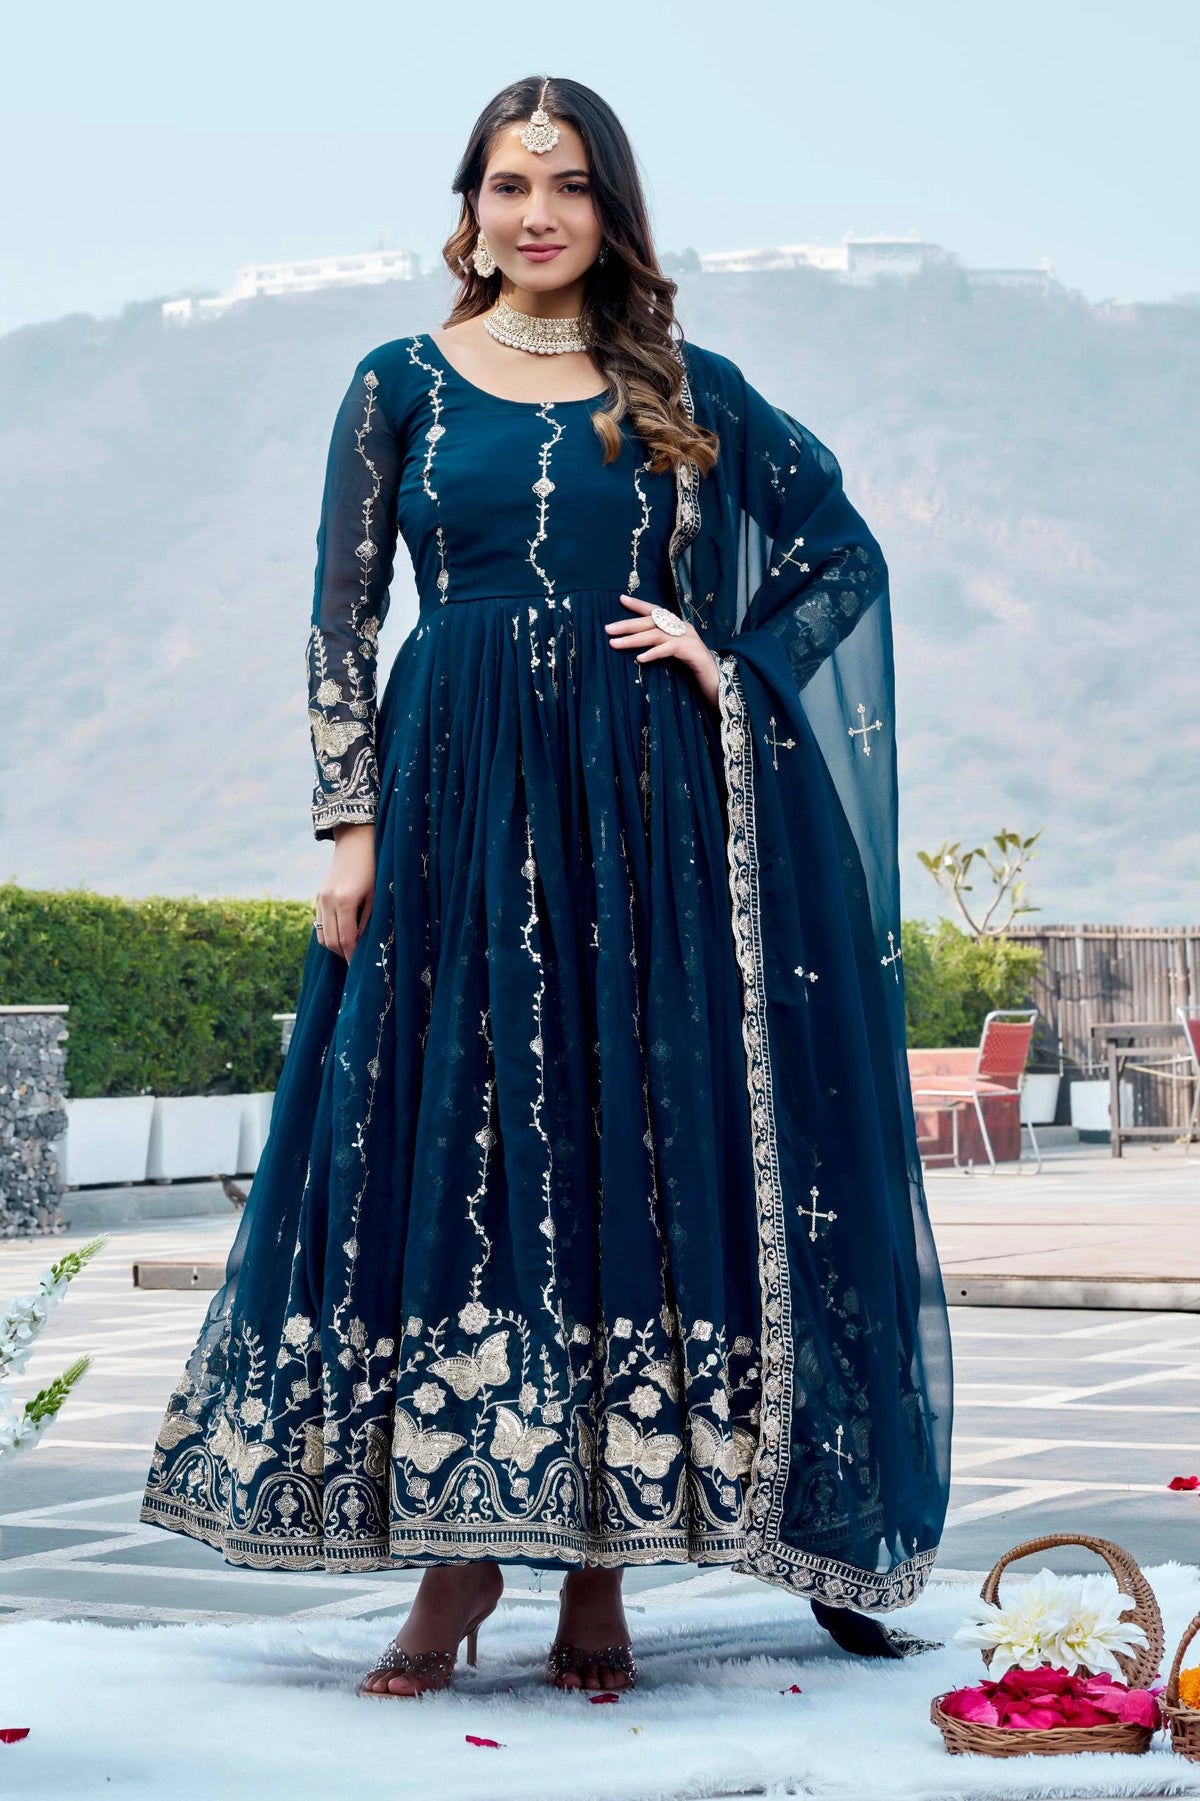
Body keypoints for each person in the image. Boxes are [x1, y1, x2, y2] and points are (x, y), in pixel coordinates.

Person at [140, 74, 953, 1698]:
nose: (538, 213)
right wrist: (346, 825)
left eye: (570, 186)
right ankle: (456, 1561)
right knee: (461, 1136)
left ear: (611, 211)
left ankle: (601, 1574)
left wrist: (727, 660)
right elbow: (340, 615)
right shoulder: (396, 386)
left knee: (621, 1137)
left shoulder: (684, 386)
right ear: (471, 203)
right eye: (512, 183)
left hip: (639, 817)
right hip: (447, 804)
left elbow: (839, 553)